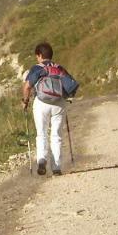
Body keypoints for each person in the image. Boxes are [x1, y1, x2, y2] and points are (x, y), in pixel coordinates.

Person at [22, 42, 78, 175]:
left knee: (41, 133)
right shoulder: (59, 68)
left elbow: (27, 87)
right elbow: (72, 86)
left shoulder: (37, 68)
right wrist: (66, 97)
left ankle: (41, 159)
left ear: (40, 55)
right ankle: (57, 167)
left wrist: (25, 101)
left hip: (41, 103)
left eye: (37, 56)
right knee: (56, 135)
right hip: (59, 104)